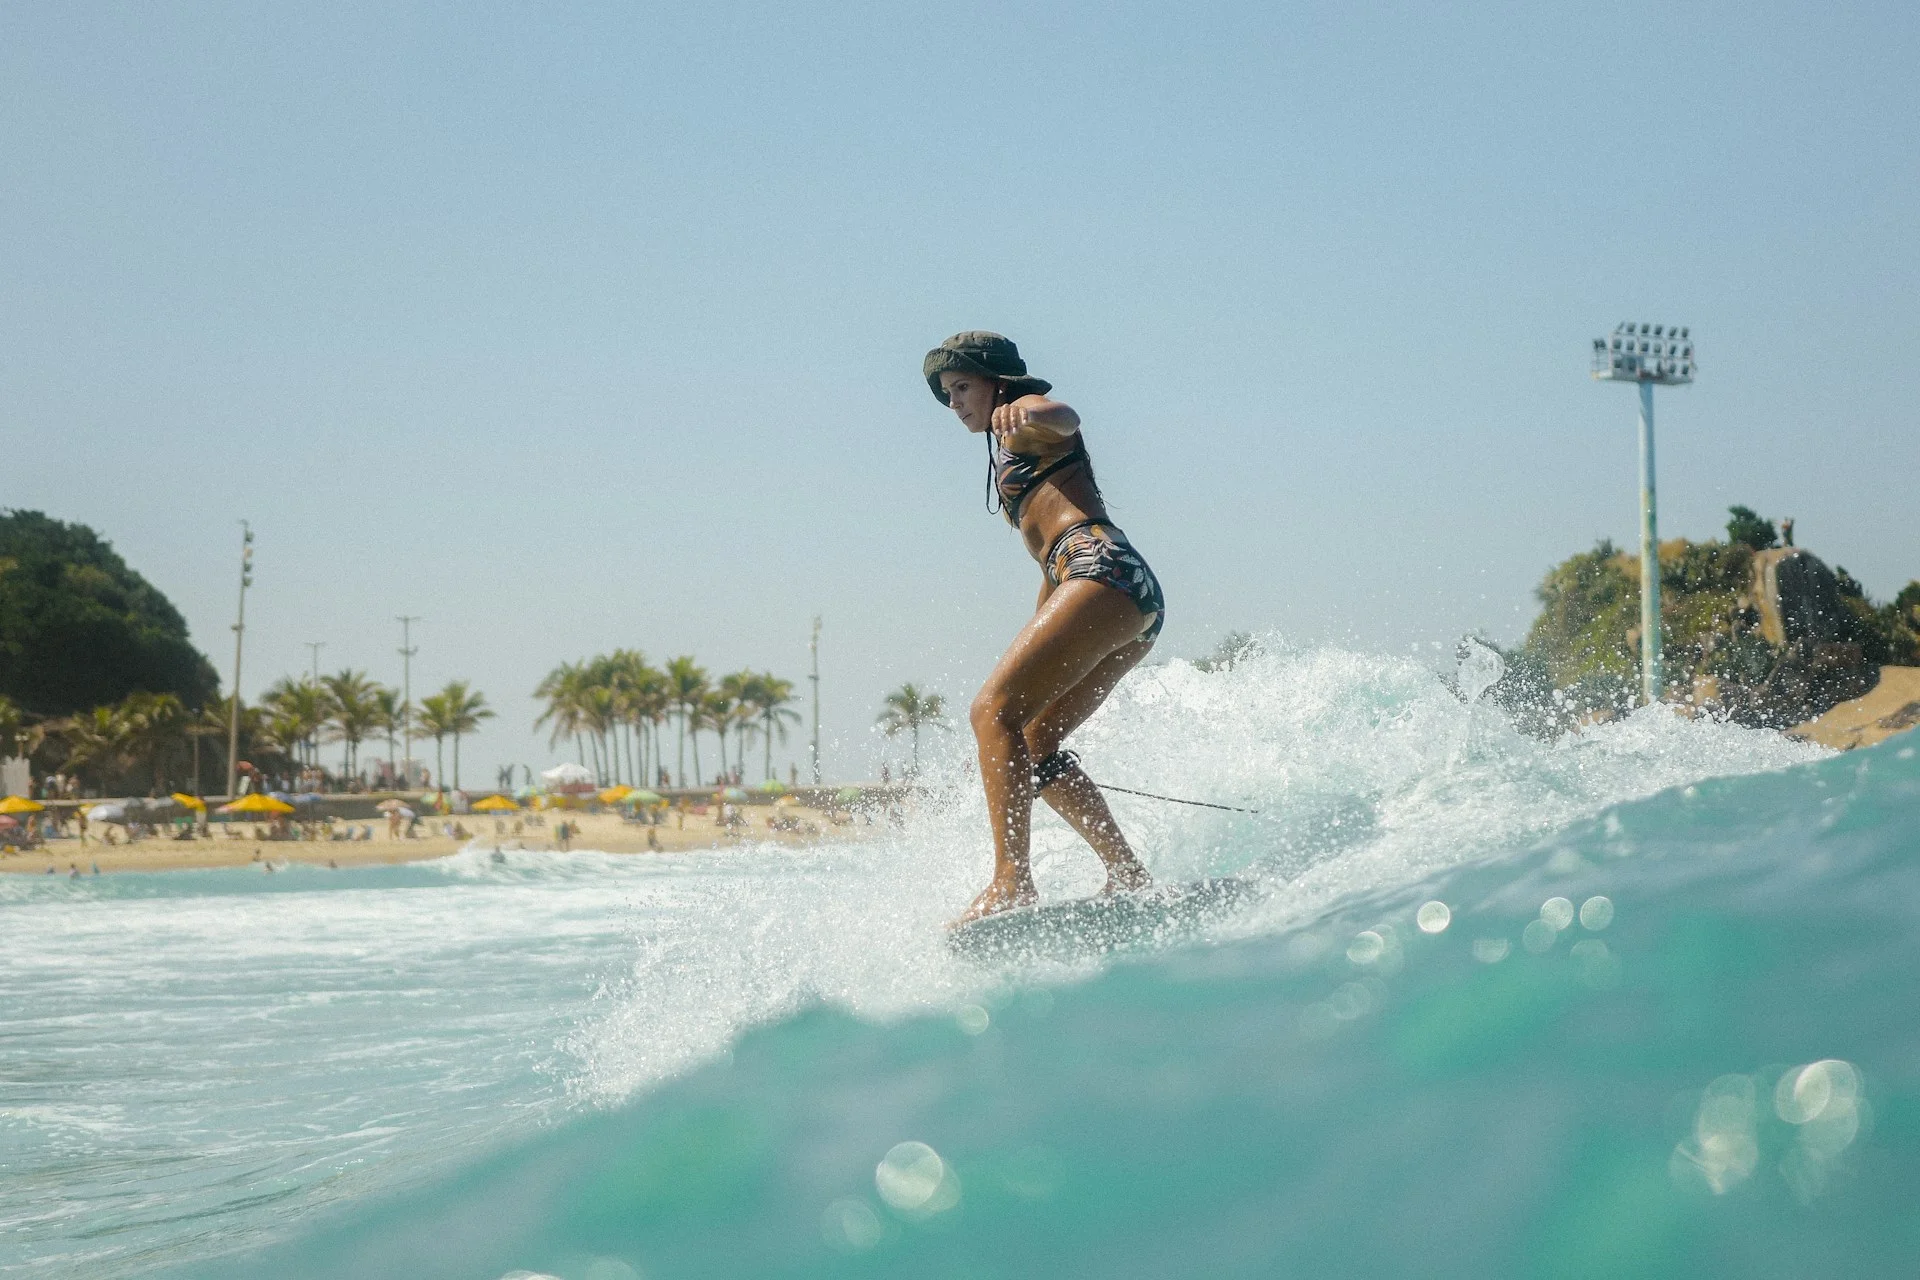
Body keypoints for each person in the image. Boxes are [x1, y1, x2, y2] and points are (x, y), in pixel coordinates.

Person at [924, 331, 1160, 922]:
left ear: (997, 382)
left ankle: (1012, 881)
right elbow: (1048, 564)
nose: (954, 403)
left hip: (1100, 568)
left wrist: (1027, 406)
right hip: (1119, 589)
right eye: (947, 393)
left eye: (962, 387)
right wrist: (1040, 627)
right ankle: (1128, 874)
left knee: (989, 711)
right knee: (1033, 740)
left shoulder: (1024, 418)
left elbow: (1064, 417)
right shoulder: (1006, 445)